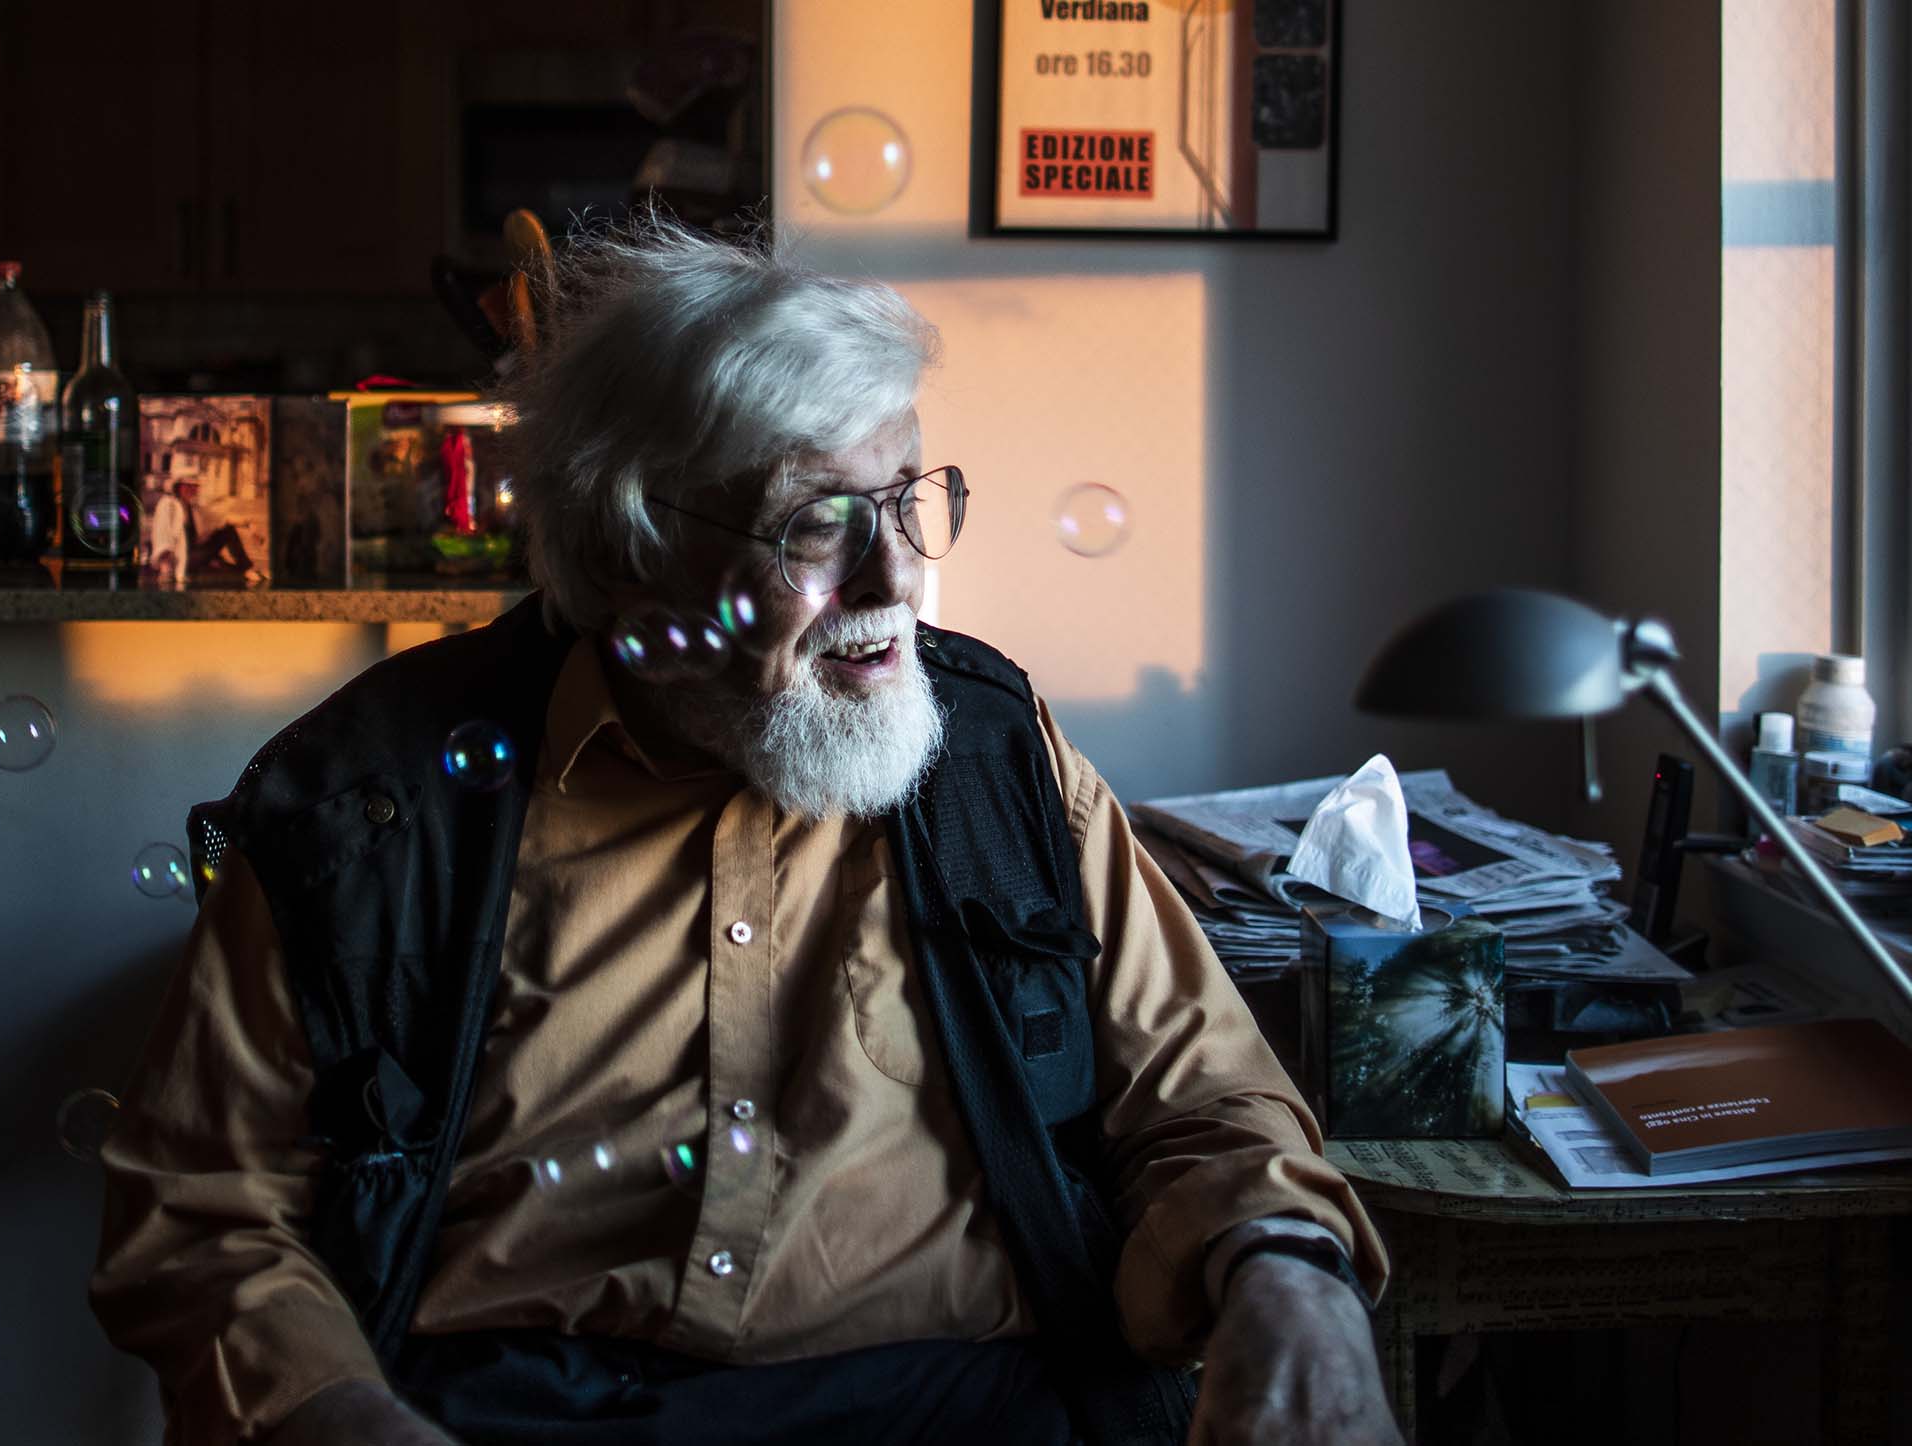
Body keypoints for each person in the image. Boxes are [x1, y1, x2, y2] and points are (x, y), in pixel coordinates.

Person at [90, 216, 1398, 1446]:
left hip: (963, 1403)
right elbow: (203, 1211)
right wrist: (336, 1414)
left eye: (908, 497)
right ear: (634, 543)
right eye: (817, 522)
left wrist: (1290, 1271)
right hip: (527, 1412)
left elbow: (1205, 1097)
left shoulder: (998, 755)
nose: (899, 579)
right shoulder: (374, 807)